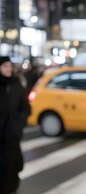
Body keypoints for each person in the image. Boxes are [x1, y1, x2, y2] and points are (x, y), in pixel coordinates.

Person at [0, 56, 31, 194]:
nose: (8, 69)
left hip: (12, 133)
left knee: (11, 163)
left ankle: (10, 188)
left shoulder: (16, 84)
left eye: (9, 66)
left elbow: (26, 108)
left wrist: (19, 124)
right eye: (5, 66)